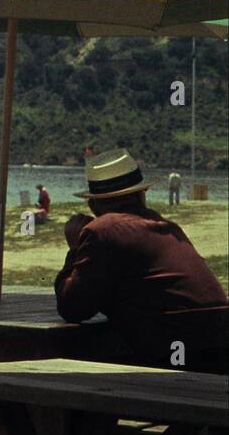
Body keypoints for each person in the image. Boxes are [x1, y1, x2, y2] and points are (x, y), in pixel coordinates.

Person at [55, 149, 227, 371]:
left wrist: (74, 248)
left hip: (176, 353)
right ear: (141, 194)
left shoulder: (102, 231)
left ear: (94, 205)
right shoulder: (168, 227)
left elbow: (73, 308)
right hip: (216, 345)